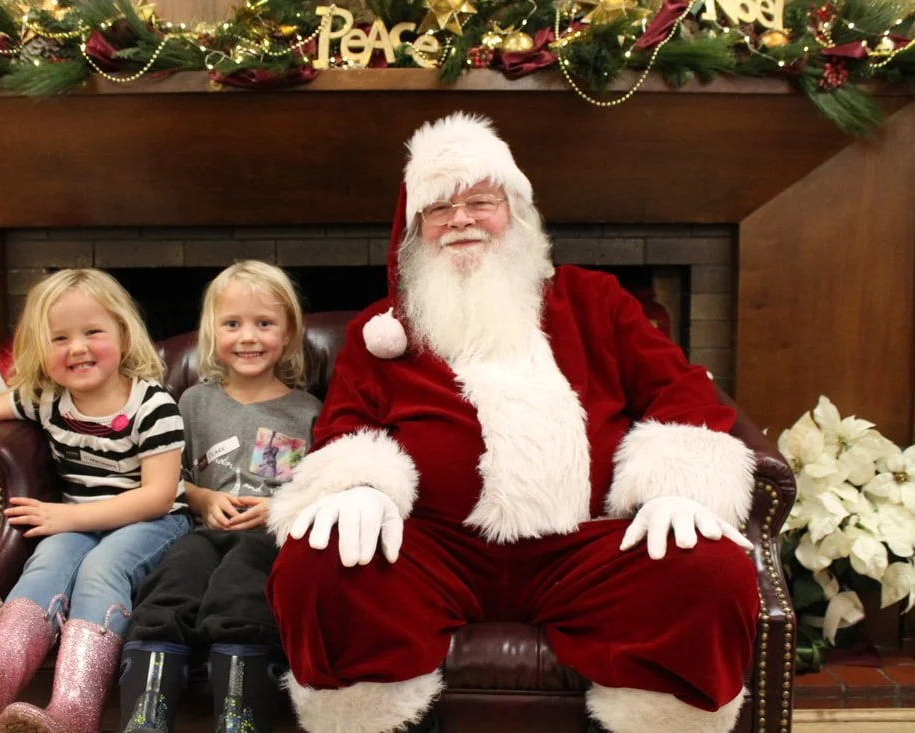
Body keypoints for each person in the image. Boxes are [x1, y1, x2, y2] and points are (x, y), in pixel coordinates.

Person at [265, 113, 760, 733]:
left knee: (708, 570)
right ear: (418, 229)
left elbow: (681, 390)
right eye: (439, 208)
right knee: (320, 561)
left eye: (480, 201)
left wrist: (680, 487)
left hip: (585, 545)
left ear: (516, 213)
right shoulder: (384, 331)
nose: (461, 220)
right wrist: (358, 485)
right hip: (433, 549)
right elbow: (344, 426)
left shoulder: (595, 301)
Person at [0, 268, 187, 733]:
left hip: (153, 522)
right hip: (76, 521)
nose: (78, 348)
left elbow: (158, 496)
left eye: (92, 332)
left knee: (99, 569)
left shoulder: (153, 407)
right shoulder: (47, 399)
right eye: (59, 338)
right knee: (47, 563)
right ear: (37, 349)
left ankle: (73, 712)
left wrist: (69, 516)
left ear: (123, 336)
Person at [119, 261, 322, 733]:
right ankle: (147, 713)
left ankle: (240, 715)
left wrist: (281, 508)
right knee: (171, 586)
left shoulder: (307, 410)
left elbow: (318, 486)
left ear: (288, 333)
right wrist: (203, 499)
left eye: (264, 323)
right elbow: (168, 479)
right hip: (202, 532)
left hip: (269, 537)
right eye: (232, 324)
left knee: (241, 593)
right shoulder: (193, 403)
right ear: (212, 332)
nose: (247, 337)